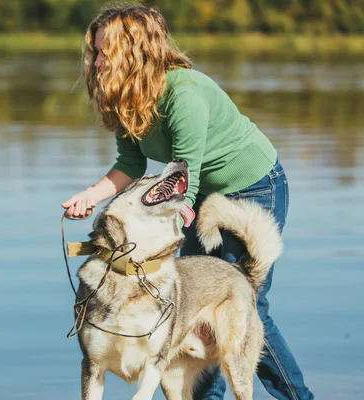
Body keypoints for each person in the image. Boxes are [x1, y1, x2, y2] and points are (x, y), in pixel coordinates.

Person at [61, 5, 314, 400]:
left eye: (105, 52)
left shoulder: (183, 93)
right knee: (186, 308)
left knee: (247, 302)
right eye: (95, 51)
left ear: (135, 51)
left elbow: (184, 177)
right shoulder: (129, 97)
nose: (97, 62)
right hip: (195, 192)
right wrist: (90, 196)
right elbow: (131, 163)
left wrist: (165, 229)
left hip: (252, 184)